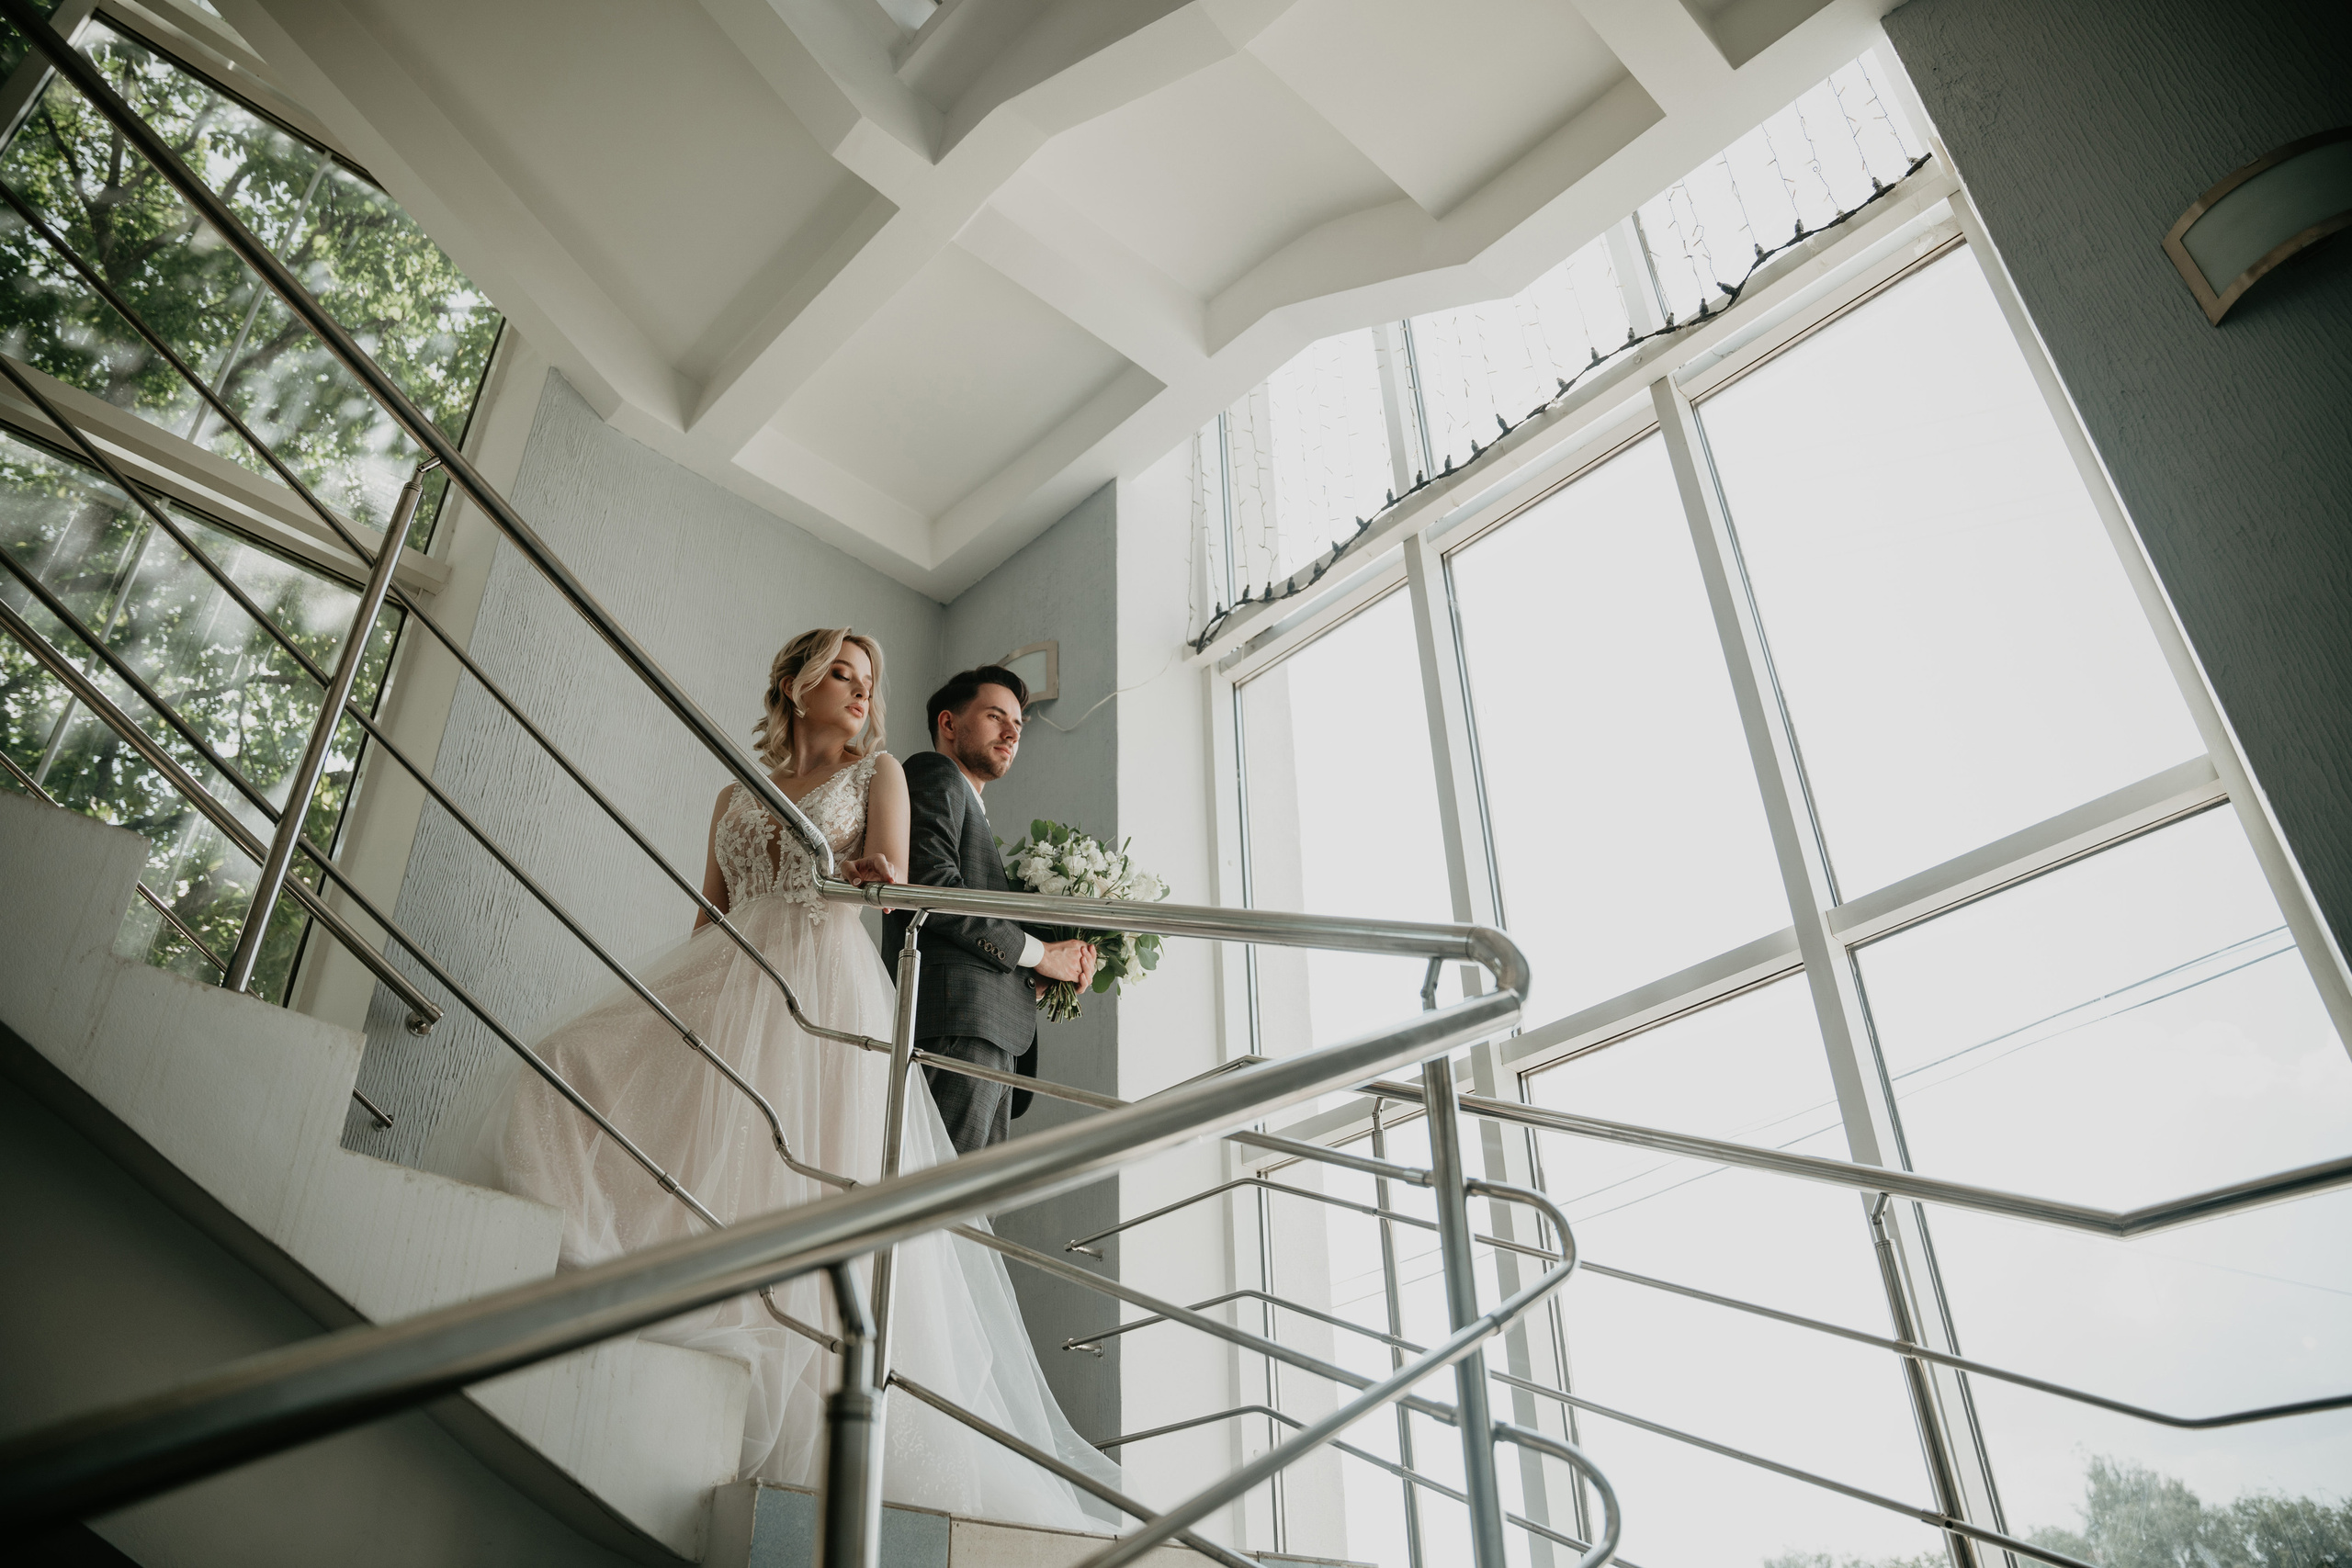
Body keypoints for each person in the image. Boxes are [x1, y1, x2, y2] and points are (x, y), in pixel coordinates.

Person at [435, 628, 1115, 1527]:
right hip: (731, 977)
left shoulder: (882, 779)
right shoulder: (733, 796)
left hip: (822, 983)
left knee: (806, 1170)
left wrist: (875, 879)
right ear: (793, 685)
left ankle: (801, 1391)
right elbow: (706, 919)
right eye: (840, 672)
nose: (859, 689)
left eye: (868, 677)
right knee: (572, 1068)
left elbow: (903, 890)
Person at [888, 666, 1097, 1156]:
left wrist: (1039, 976)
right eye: (995, 716)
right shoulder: (932, 773)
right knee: (934, 1202)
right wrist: (1040, 953)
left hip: (991, 1032)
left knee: (966, 1220)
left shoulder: (974, 809)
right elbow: (933, 887)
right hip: (958, 1025)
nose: (1011, 733)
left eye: (1019, 726)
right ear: (949, 724)